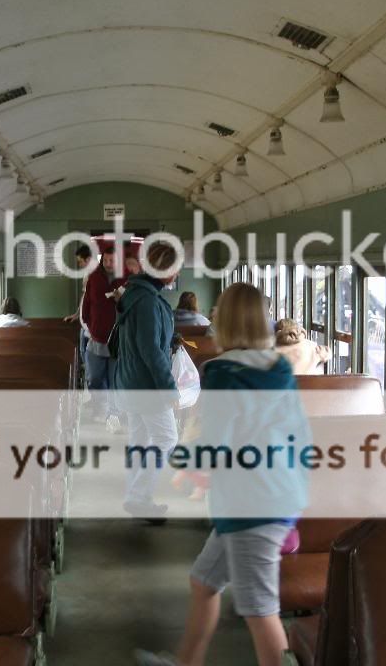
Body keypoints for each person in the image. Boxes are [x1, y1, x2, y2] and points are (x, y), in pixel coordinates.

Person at [134, 282, 310, 666]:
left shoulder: (222, 373)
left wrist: (184, 463)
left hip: (251, 506)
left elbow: (215, 442)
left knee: (260, 611)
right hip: (275, 494)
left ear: (225, 322)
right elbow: (299, 437)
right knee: (204, 583)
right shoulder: (279, 368)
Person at [114, 241, 180, 520]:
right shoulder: (149, 301)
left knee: (140, 439)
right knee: (167, 438)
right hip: (146, 384)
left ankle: (136, 495)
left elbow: (144, 340)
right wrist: (169, 389)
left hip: (130, 380)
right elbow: (151, 350)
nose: (177, 275)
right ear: (165, 271)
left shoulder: (134, 294)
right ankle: (139, 496)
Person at [82, 244, 122, 424]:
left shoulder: (125, 279)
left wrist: (120, 300)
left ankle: (112, 413)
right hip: (96, 336)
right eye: (105, 260)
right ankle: (99, 405)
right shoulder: (94, 278)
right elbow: (86, 305)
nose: (108, 263)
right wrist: (90, 327)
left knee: (115, 379)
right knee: (95, 377)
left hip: (118, 338)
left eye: (111, 260)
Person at [64, 244, 94, 364]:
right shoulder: (87, 275)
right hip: (84, 324)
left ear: (88, 259)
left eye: (80, 261)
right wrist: (76, 315)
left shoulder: (98, 276)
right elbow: (84, 298)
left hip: (92, 326)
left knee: (89, 358)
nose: (79, 265)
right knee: (83, 353)